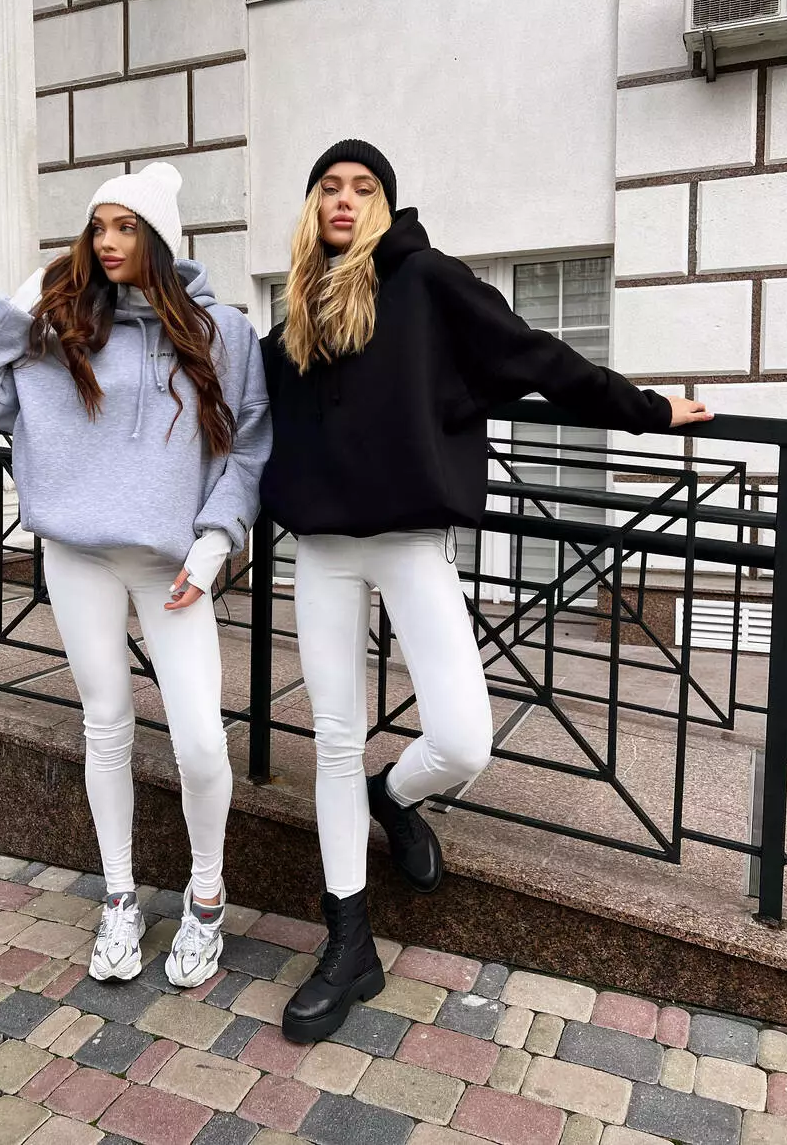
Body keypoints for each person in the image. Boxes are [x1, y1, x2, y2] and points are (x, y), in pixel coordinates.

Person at [260, 139, 712, 1043]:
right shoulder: (294, 314)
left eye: (362, 187)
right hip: (320, 552)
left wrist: (646, 410)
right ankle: (348, 943)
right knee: (333, 739)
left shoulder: (426, 281)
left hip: (410, 541)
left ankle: (396, 795)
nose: (344, 199)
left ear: (384, 202)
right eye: (328, 187)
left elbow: (532, 357)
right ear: (311, 206)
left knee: (463, 738)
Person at [0, 163, 271, 987]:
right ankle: (119, 897)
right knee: (106, 724)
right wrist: (23, 300)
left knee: (200, 740)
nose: (109, 241)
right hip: (76, 553)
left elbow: (247, 443)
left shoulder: (221, 329)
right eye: (98, 227)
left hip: (173, 565)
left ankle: (205, 897)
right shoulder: (63, 328)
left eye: (126, 227)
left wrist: (215, 540)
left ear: (159, 238)